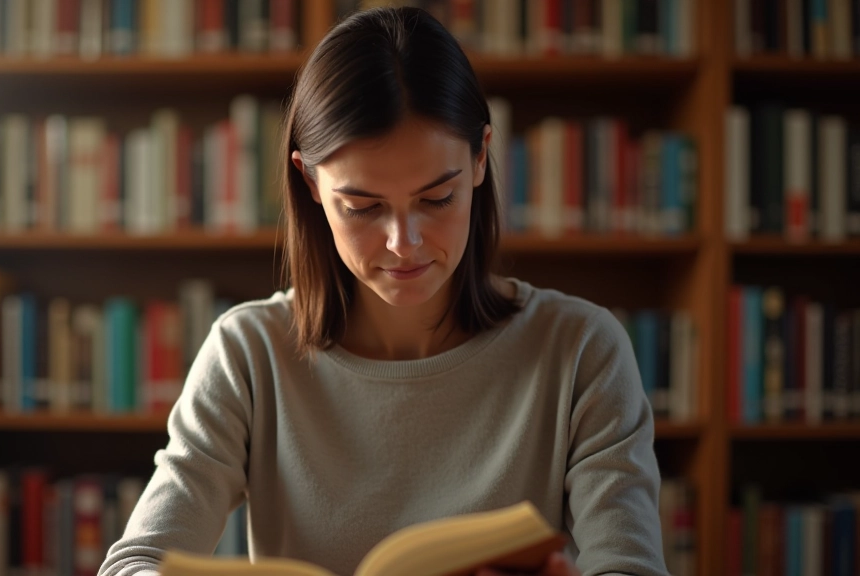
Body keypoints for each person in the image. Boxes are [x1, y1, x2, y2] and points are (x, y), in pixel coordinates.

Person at [99, 6, 667, 576]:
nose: (403, 242)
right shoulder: (249, 353)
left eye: (437, 199)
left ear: (480, 158)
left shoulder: (581, 351)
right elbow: (135, 561)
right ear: (310, 182)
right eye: (363, 207)